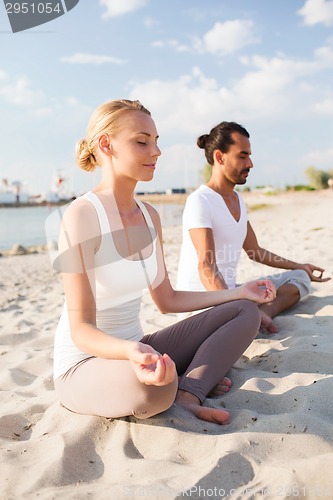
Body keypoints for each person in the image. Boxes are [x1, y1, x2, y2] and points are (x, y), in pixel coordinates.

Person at [52, 100, 276, 426]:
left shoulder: (149, 216)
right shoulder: (81, 215)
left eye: (157, 141)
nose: (156, 151)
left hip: (142, 349)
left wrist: (240, 292)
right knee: (154, 391)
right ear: (106, 144)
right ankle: (180, 384)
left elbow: (167, 300)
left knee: (245, 312)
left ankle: (188, 394)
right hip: (85, 362)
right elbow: (81, 330)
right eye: (142, 141)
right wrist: (131, 352)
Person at [176, 121, 330, 333]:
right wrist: (232, 308)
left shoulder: (238, 199)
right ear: (219, 157)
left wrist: (300, 265)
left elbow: (255, 251)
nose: (250, 163)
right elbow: (206, 266)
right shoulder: (200, 200)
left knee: (300, 278)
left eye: (249, 156)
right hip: (203, 304)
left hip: (231, 294)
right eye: (242, 156)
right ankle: (246, 315)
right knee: (244, 306)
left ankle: (263, 313)